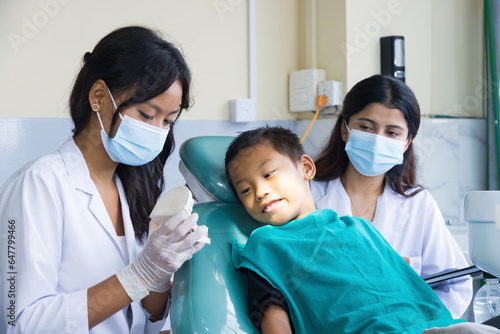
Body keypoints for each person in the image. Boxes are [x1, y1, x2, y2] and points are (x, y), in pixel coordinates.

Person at [0, 26, 208, 333]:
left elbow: (148, 321)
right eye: (147, 115)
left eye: (168, 121)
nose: (157, 131)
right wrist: (139, 276)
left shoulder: (136, 187)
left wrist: (162, 273)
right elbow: (23, 323)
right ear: (99, 96)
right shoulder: (38, 184)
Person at [224, 126, 499, 334]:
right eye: (245, 189)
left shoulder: (357, 228)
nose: (260, 191)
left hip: (426, 326)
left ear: (306, 168)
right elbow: (272, 312)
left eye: (269, 174)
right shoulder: (266, 244)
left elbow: (398, 279)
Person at [311, 74, 472, 318]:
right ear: (345, 129)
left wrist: (411, 323)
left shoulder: (418, 205)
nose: (377, 140)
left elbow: (456, 286)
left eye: (392, 133)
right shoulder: (308, 193)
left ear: (406, 143)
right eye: (366, 127)